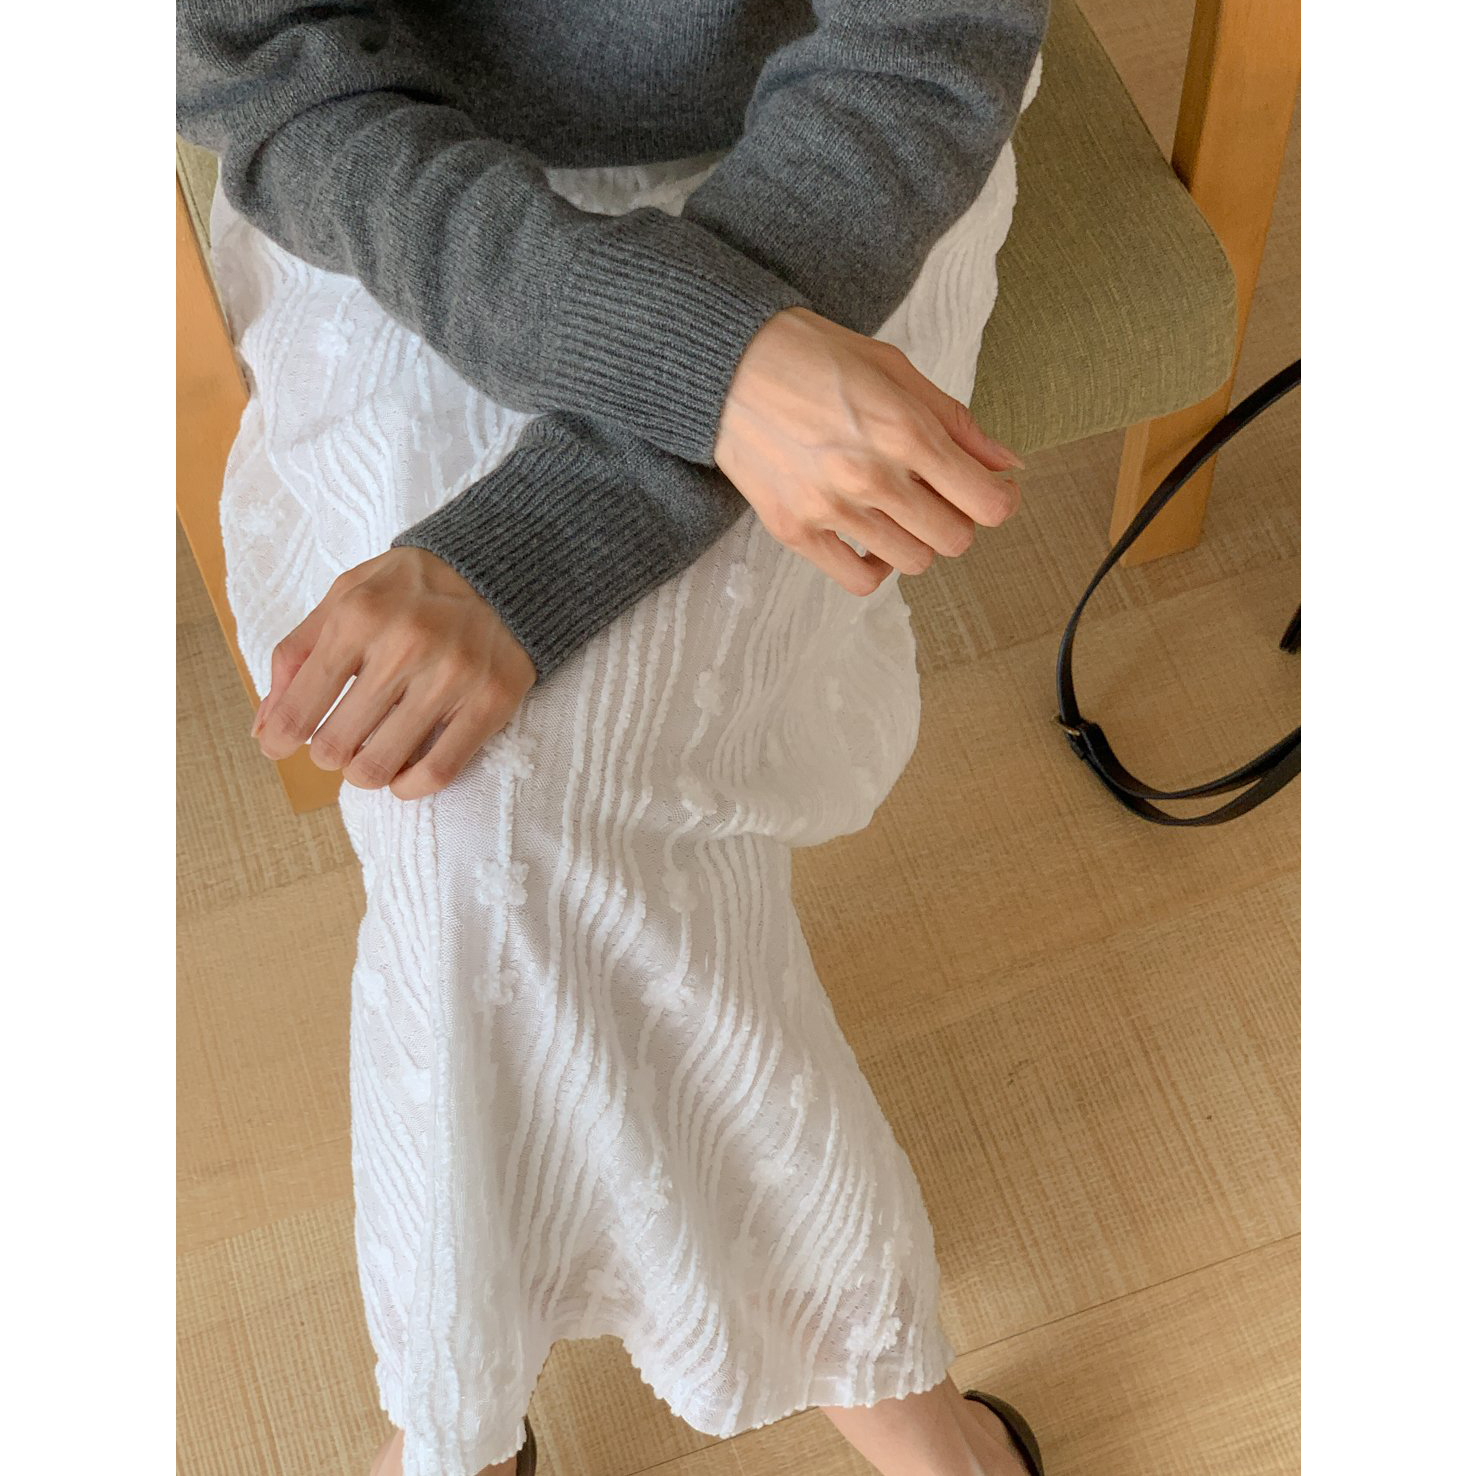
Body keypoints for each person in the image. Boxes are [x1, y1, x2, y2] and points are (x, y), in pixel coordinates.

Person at [177, 3, 1050, 1473]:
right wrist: (709, 368)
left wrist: (535, 544)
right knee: (461, 796)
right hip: (400, 178)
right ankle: (890, 1391)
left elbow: (929, 39)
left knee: (489, 794)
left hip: (845, 161)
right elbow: (267, 63)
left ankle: (456, 1430)